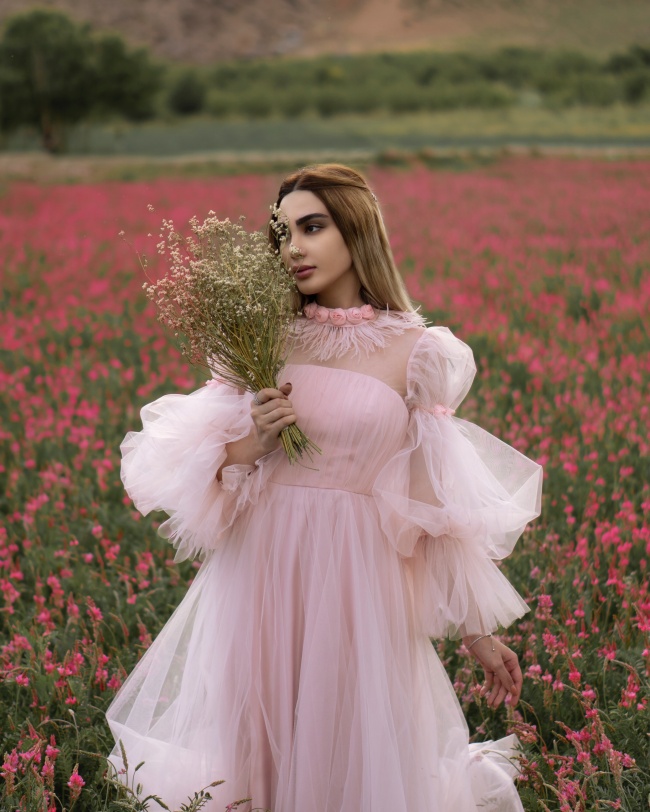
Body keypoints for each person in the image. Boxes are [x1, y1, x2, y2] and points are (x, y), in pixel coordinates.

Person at [106, 164, 542, 812]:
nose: (294, 249)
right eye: (283, 234)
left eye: (312, 227)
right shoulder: (262, 339)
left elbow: (430, 504)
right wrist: (251, 441)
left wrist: (478, 631)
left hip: (357, 587)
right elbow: (201, 476)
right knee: (259, 743)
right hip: (261, 577)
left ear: (357, 230)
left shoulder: (417, 352)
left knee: (347, 748)